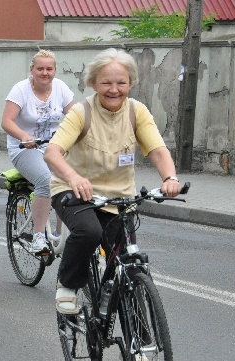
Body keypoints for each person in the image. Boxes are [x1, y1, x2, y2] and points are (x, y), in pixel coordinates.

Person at [44, 48, 182, 316]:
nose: (114, 89)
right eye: (106, 82)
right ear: (94, 83)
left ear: (131, 83)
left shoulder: (137, 112)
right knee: (89, 232)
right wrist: (72, 177)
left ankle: (141, 348)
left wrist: (170, 178)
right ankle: (68, 285)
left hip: (119, 199)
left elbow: (157, 150)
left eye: (121, 82)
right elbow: (52, 152)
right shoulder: (80, 113)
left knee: (129, 265)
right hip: (74, 193)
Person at [1, 49, 75, 254]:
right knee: (46, 180)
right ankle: (38, 236)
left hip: (54, 146)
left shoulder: (61, 88)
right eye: (40, 68)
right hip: (24, 148)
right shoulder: (21, 89)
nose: (45, 73)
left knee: (71, 179)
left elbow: (75, 116)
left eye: (49, 69)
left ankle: (61, 234)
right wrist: (24, 136)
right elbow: (6, 121)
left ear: (55, 70)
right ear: (31, 70)